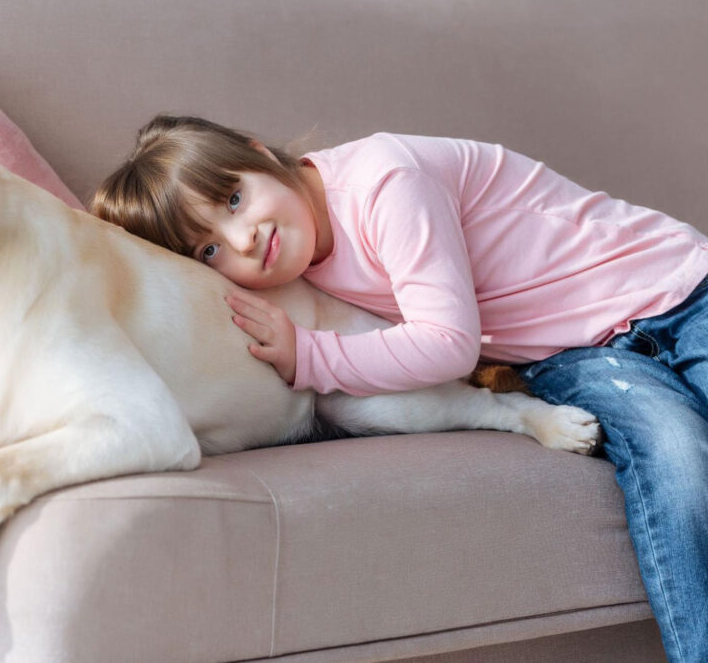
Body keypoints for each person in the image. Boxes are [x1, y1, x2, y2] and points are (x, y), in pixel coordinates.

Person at [91, 115, 708, 661]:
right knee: (677, 450)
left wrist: (309, 356)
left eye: (233, 198)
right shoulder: (294, 259)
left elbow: (448, 343)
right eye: (208, 250)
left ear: (259, 152)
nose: (243, 239)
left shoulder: (387, 180)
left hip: (681, 288)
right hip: (572, 355)